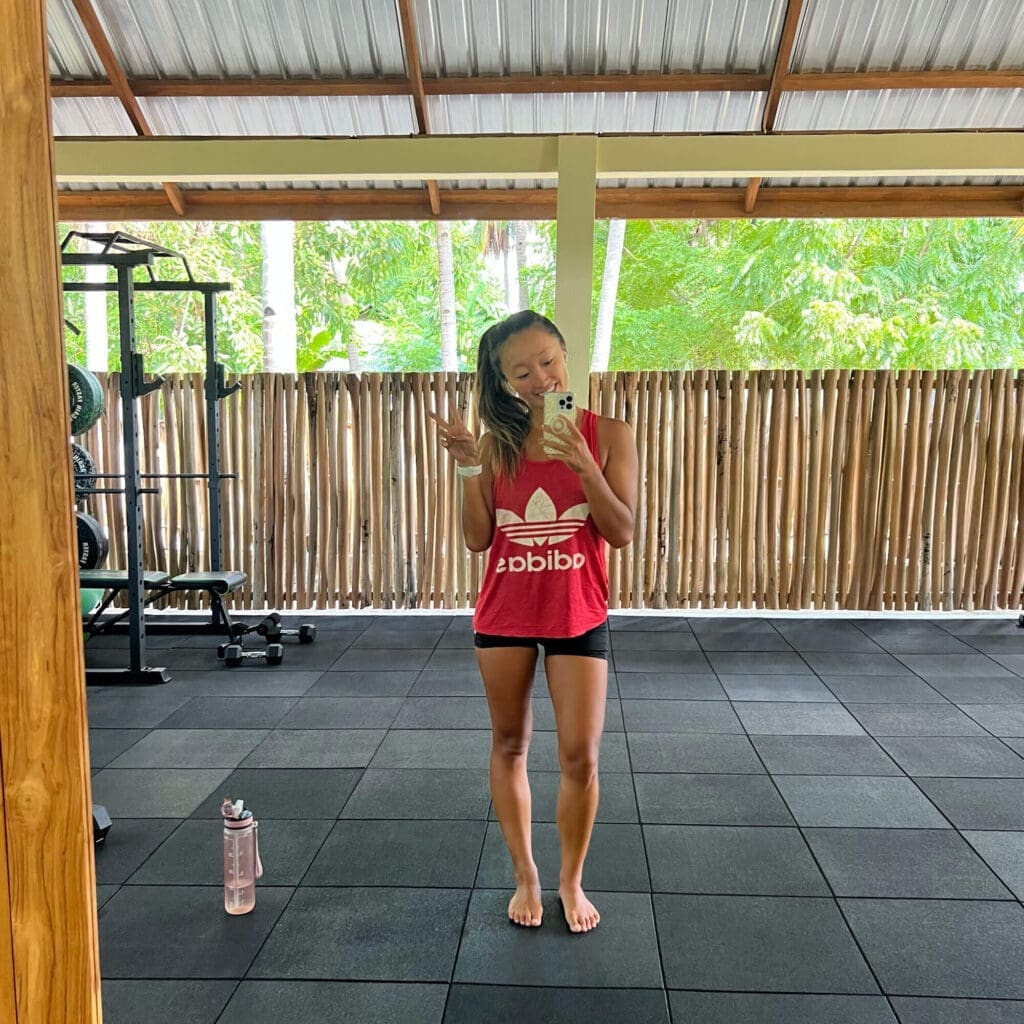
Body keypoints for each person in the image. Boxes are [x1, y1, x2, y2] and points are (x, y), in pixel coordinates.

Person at [428, 310, 638, 934]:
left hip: (579, 611)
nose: (541, 380)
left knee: (581, 757)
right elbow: (476, 538)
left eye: (548, 361)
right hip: (507, 610)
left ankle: (570, 879)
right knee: (510, 743)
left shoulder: (611, 434)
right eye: (522, 373)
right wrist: (469, 463)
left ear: (566, 355)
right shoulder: (496, 446)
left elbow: (621, 532)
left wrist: (584, 465)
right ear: (504, 383)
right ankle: (526, 874)